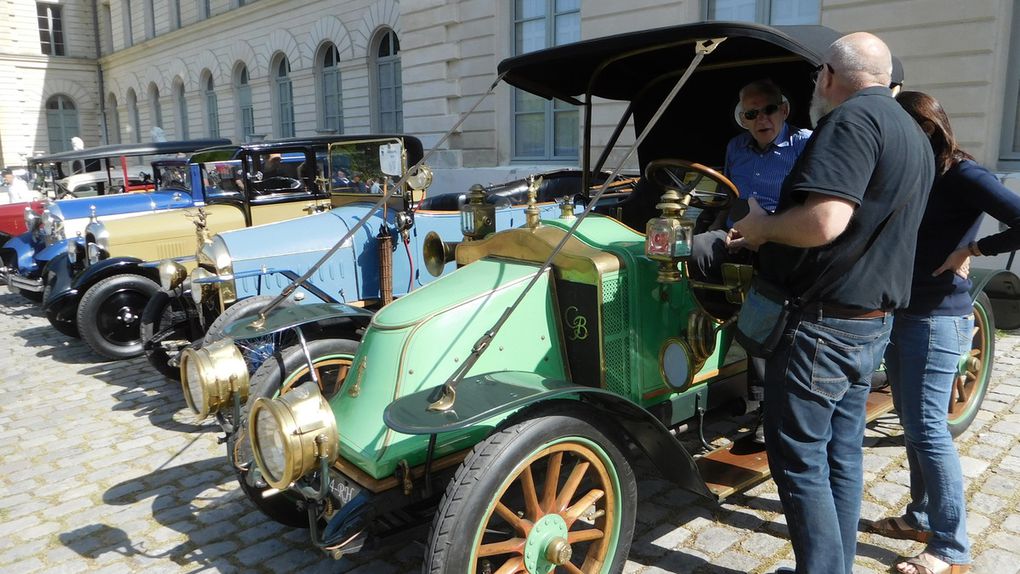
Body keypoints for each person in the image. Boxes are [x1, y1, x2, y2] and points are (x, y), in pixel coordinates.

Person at [729, 32, 934, 574]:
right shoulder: (910, 130)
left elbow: (825, 221)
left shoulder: (848, 121)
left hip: (821, 325)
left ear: (826, 76)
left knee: (798, 461)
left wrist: (761, 228)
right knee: (840, 455)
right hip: (869, 323)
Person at [867, 91, 1020, 574]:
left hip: (937, 318)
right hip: (903, 310)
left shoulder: (963, 173)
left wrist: (973, 248)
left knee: (929, 430)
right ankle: (921, 517)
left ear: (924, 130)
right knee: (914, 424)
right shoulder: (916, 172)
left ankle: (951, 549)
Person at [690, 79, 811, 443]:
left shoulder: (805, 144)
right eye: (752, 113)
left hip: (778, 239)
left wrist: (766, 234)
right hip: (735, 234)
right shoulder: (735, 147)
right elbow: (728, 197)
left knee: (759, 304)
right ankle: (705, 340)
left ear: (784, 109)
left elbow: (808, 205)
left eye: (769, 109)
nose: (762, 118)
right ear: (743, 118)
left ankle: (764, 406)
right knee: (692, 249)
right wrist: (720, 230)